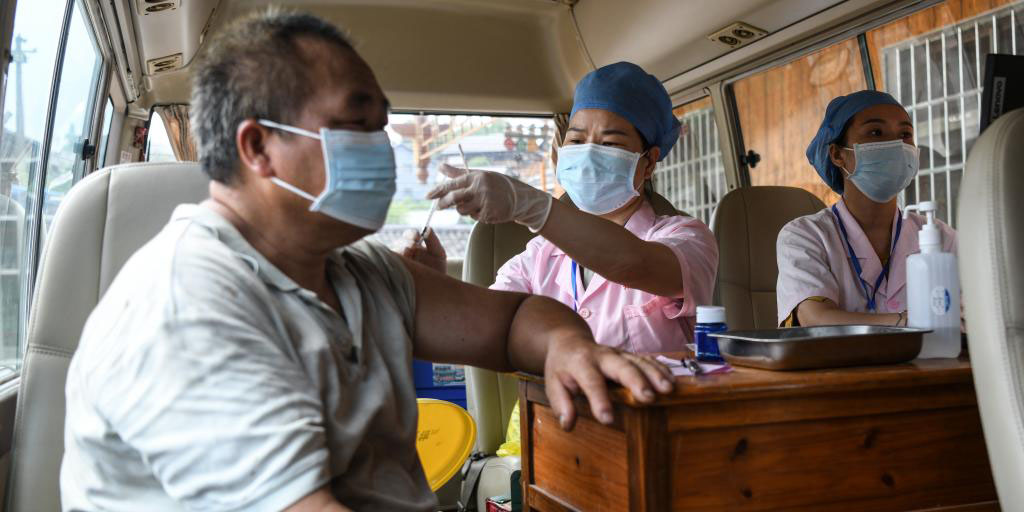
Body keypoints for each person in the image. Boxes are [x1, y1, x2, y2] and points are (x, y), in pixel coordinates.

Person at [59, 10, 676, 512]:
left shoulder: (358, 269)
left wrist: (565, 345)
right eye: (356, 126)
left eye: (381, 126)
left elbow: (512, 322)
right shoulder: (189, 308)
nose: (381, 148)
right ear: (258, 147)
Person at [426, 61, 719, 353]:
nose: (589, 153)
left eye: (610, 144)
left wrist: (532, 206)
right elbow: (477, 327)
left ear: (649, 162)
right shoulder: (539, 256)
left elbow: (633, 263)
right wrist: (428, 285)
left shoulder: (687, 238)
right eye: (577, 139)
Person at [776, 90, 957, 327]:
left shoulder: (942, 236)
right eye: (876, 132)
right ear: (837, 154)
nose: (895, 144)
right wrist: (909, 322)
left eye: (905, 134)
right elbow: (815, 318)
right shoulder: (805, 235)